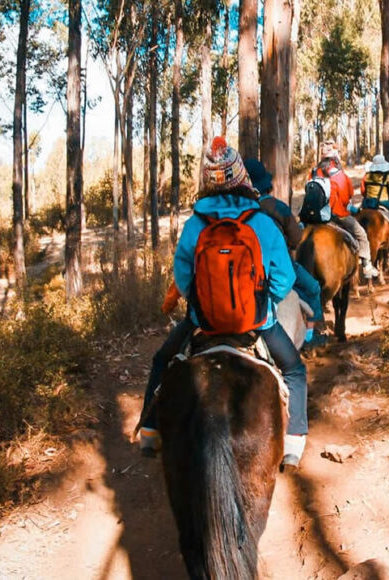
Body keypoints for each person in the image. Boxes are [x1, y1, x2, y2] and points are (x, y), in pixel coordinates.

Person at [139, 137, 309, 468]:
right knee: (294, 369)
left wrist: (204, 303)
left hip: (204, 323)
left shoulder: (194, 224)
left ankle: (150, 431)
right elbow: (285, 280)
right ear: (241, 177)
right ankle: (293, 442)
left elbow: (184, 278)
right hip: (257, 323)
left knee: (162, 361)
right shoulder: (261, 222)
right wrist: (263, 302)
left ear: (208, 182)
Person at [244, 157, 327, 346]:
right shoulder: (277, 206)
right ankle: (311, 336)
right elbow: (296, 238)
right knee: (313, 288)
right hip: (280, 264)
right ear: (266, 184)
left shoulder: (242, 210)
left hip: (248, 266)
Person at [311, 142, 379, 279]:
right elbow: (347, 196)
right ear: (335, 158)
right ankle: (366, 266)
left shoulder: (313, 172)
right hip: (337, 215)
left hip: (313, 216)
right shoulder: (339, 174)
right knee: (361, 235)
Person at [360, 154, 389, 253]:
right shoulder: (387, 178)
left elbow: (363, 191)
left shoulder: (367, 176)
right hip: (383, 202)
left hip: (367, 203)